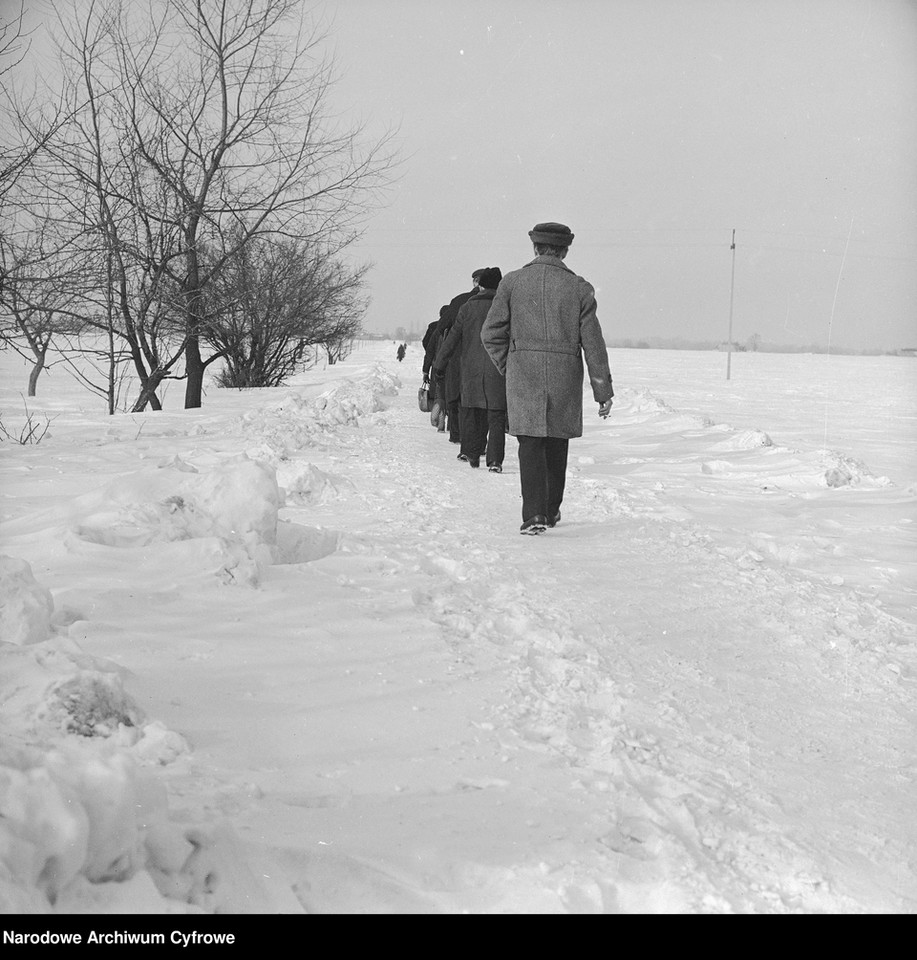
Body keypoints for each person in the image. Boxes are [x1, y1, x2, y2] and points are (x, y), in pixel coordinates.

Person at [481, 222, 614, 535]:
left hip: (523, 376)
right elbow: (593, 343)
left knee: (529, 443)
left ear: (535, 247)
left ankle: (534, 514)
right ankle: (551, 509)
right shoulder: (580, 288)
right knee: (556, 442)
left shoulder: (512, 283)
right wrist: (602, 391)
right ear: (565, 250)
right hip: (563, 378)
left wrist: (509, 364)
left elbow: (491, 333)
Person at [432, 267, 506, 471]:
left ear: (480, 285)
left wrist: (439, 364)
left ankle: (471, 453)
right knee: (496, 415)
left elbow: (452, 339)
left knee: (471, 411)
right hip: (498, 369)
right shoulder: (505, 307)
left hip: (470, 369)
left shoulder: (466, 308)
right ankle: (495, 461)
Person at [429, 268, 487, 442]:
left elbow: (440, 328)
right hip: (487, 356)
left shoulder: (459, 301)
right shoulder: (499, 301)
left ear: (475, 282)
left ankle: (456, 435)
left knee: (456, 395)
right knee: (482, 398)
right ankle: (478, 440)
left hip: (458, 356)